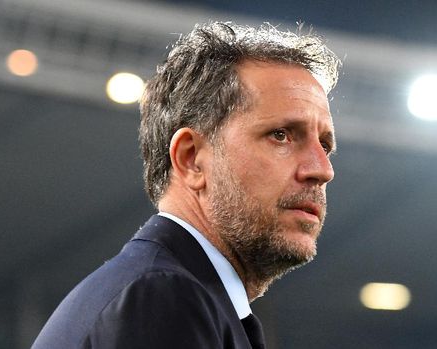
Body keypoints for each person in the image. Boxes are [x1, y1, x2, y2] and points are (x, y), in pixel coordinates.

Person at [32, 21, 340, 349]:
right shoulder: (162, 297)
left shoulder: (177, 293)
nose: (322, 170)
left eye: (324, 144)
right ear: (191, 159)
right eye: (281, 135)